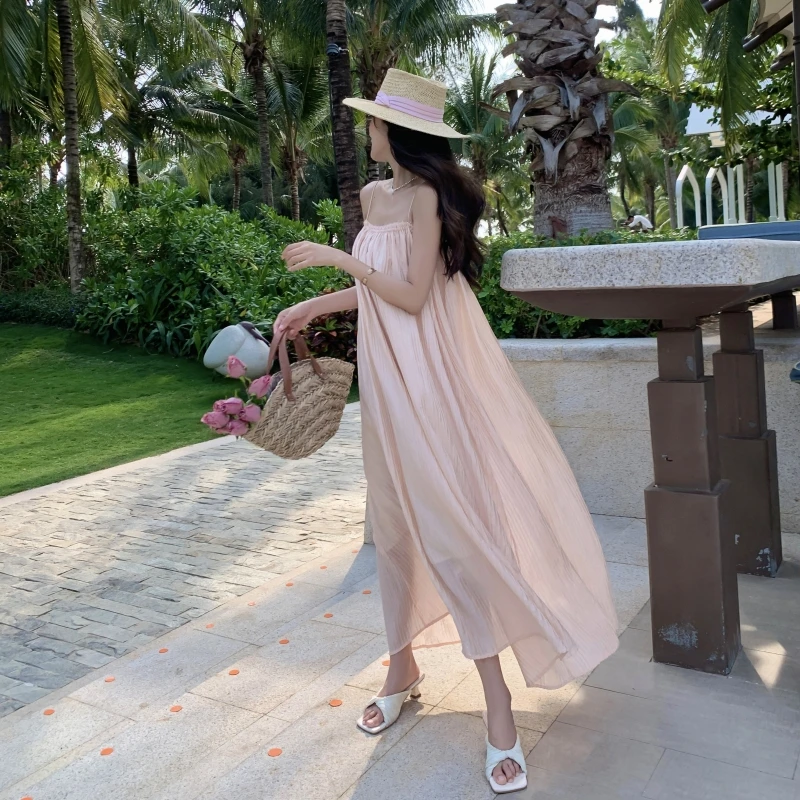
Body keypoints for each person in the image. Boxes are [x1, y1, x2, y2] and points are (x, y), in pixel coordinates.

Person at [275, 68, 619, 794]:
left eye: (374, 122)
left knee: (456, 531)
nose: (367, 131)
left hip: (430, 382)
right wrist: (314, 306)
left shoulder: (428, 197)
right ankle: (401, 665)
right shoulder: (375, 198)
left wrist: (337, 258)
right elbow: (374, 284)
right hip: (387, 383)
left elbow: (410, 294)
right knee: (395, 526)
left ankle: (499, 702)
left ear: (397, 133)